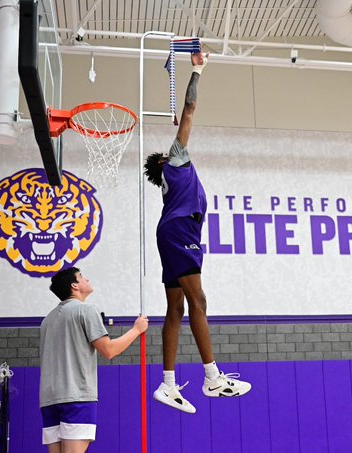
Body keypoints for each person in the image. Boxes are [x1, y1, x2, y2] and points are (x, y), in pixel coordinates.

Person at [144, 51, 251, 414]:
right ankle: (212, 377)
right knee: (198, 302)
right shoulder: (175, 159)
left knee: (175, 308)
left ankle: (168, 384)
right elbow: (189, 110)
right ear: (167, 160)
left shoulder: (170, 180)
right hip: (179, 232)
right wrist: (197, 70)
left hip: (172, 232)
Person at [40, 267, 148, 453]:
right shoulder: (87, 310)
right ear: (74, 285)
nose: (87, 279)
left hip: (49, 399)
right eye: (82, 277)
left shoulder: (47, 320)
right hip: (77, 397)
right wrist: (136, 330)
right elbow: (109, 350)